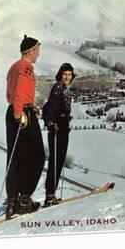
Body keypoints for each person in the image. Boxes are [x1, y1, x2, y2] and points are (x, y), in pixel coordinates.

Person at [4, 35, 45, 219]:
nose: (39, 53)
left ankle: (12, 201)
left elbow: (9, 94)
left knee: (16, 156)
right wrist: (21, 112)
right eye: (37, 50)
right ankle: (24, 199)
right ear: (30, 51)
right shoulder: (26, 67)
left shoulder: (14, 67)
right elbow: (20, 90)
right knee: (37, 156)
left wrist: (23, 107)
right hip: (21, 114)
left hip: (14, 110)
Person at [42, 63, 76, 207]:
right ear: (60, 75)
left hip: (63, 126)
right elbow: (48, 106)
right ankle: (50, 195)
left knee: (59, 160)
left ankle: (51, 194)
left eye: (69, 74)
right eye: (65, 74)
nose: (67, 77)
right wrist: (50, 122)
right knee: (56, 161)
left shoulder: (65, 89)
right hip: (57, 127)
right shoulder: (58, 87)